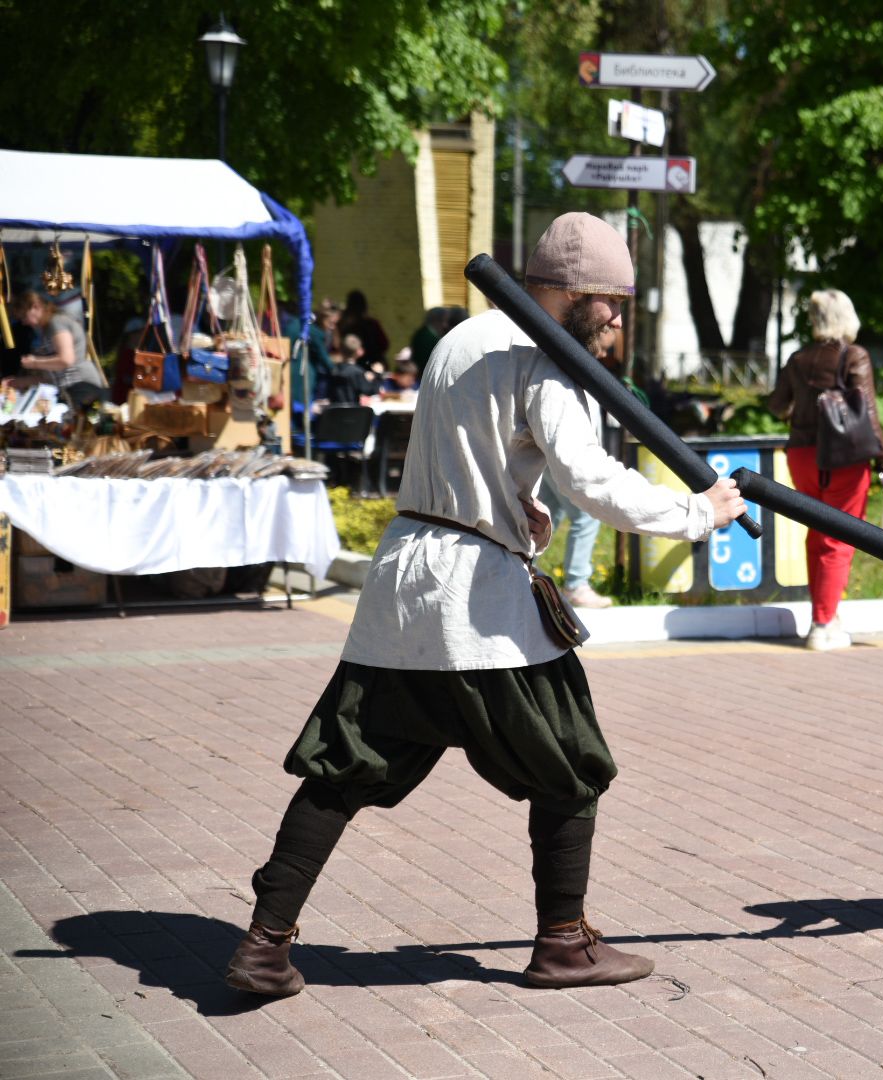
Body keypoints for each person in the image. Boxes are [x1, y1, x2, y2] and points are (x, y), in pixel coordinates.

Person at [224, 212, 747, 997]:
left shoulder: (462, 341)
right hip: (476, 606)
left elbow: (473, 455)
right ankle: (564, 944)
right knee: (572, 766)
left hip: (406, 585)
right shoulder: (546, 356)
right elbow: (591, 478)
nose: (614, 316)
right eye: (605, 299)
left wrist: (511, 503)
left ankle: (263, 946)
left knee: (343, 770)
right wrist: (698, 513)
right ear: (562, 291)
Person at [767, 289, 883, 650]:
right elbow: (868, 412)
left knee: (818, 533)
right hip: (844, 457)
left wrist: (799, 410)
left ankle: (827, 615)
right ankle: (822, 624)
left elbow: (777, 405)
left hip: (803, 455)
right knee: (839, 537)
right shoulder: (854, 355)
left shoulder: (797, 358)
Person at [10, 290, 106, 407]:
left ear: (36, 307)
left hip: (81, 386)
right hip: (68, 389)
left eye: (24, 316)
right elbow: (49, 379)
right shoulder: (47, 331)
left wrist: (34, 363)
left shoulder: (56, 323)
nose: (24, 323)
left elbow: (66, 359)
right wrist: (17, 382)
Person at [339, 289, 390, 365]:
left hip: (356, 363)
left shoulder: (347, 326)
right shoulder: (372, 324)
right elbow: (384, 344)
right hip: (374, 362)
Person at [409, 307, 448, 378]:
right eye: (443, 320)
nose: (444, 325)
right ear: (436, 320)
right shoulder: (427, 336)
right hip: (425, 375)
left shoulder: (426, 333)